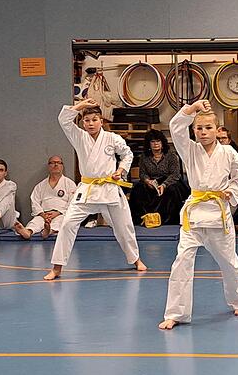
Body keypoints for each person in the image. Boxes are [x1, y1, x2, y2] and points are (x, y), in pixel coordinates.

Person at [158, 99, 238, 330]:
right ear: (194, 130)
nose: (203, 132)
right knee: (181, 262)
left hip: (218, 213)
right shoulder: (189, 149)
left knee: (229, 262)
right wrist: (193, 108)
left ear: (218, 130)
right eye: (199, 128)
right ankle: (175, 313)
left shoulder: (228, 152)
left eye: (208, 128)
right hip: (194, 214)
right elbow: (175, 127)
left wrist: (232, 192)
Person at [44, 99, 147, 280]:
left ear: (101, 121)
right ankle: (57, 267)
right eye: (87, 120)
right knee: (67, 224)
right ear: (83, 123)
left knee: (124, 227)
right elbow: (63, 120)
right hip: (87, 189)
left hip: (109, 188)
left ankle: (136, 259)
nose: (90, 124)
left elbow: (127, 154)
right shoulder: (78, 136)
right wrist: (81, 105)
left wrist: (121, 170)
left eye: (94, 120)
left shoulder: (112, 138)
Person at [128, 129, 189, 226]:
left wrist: (164, 185)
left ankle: (168, 220)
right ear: (149, 144)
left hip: (169, 181)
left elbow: (175, 174)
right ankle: (142, 219)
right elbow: (142, 173)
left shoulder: (171, 155)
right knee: (137, 189)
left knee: (172, 190)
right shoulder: (144, 156)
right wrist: (147, 181)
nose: (156, 144)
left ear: (162, 142)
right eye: (153, 141)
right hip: (151, 181)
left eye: (158, 141)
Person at [14, 156, 78, 240]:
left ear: (62, 166)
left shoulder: (70, 184)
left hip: (61, 213)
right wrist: (42, 214)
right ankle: (28, 232)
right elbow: (35, 202)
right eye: (52, 162)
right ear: (48, 166)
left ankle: (48, 231)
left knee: (61, 221)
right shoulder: (40, 186)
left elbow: (72, 202)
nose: (55, 165)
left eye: (58, 162)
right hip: (44, 214)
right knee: (36, 221)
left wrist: (58, 212)